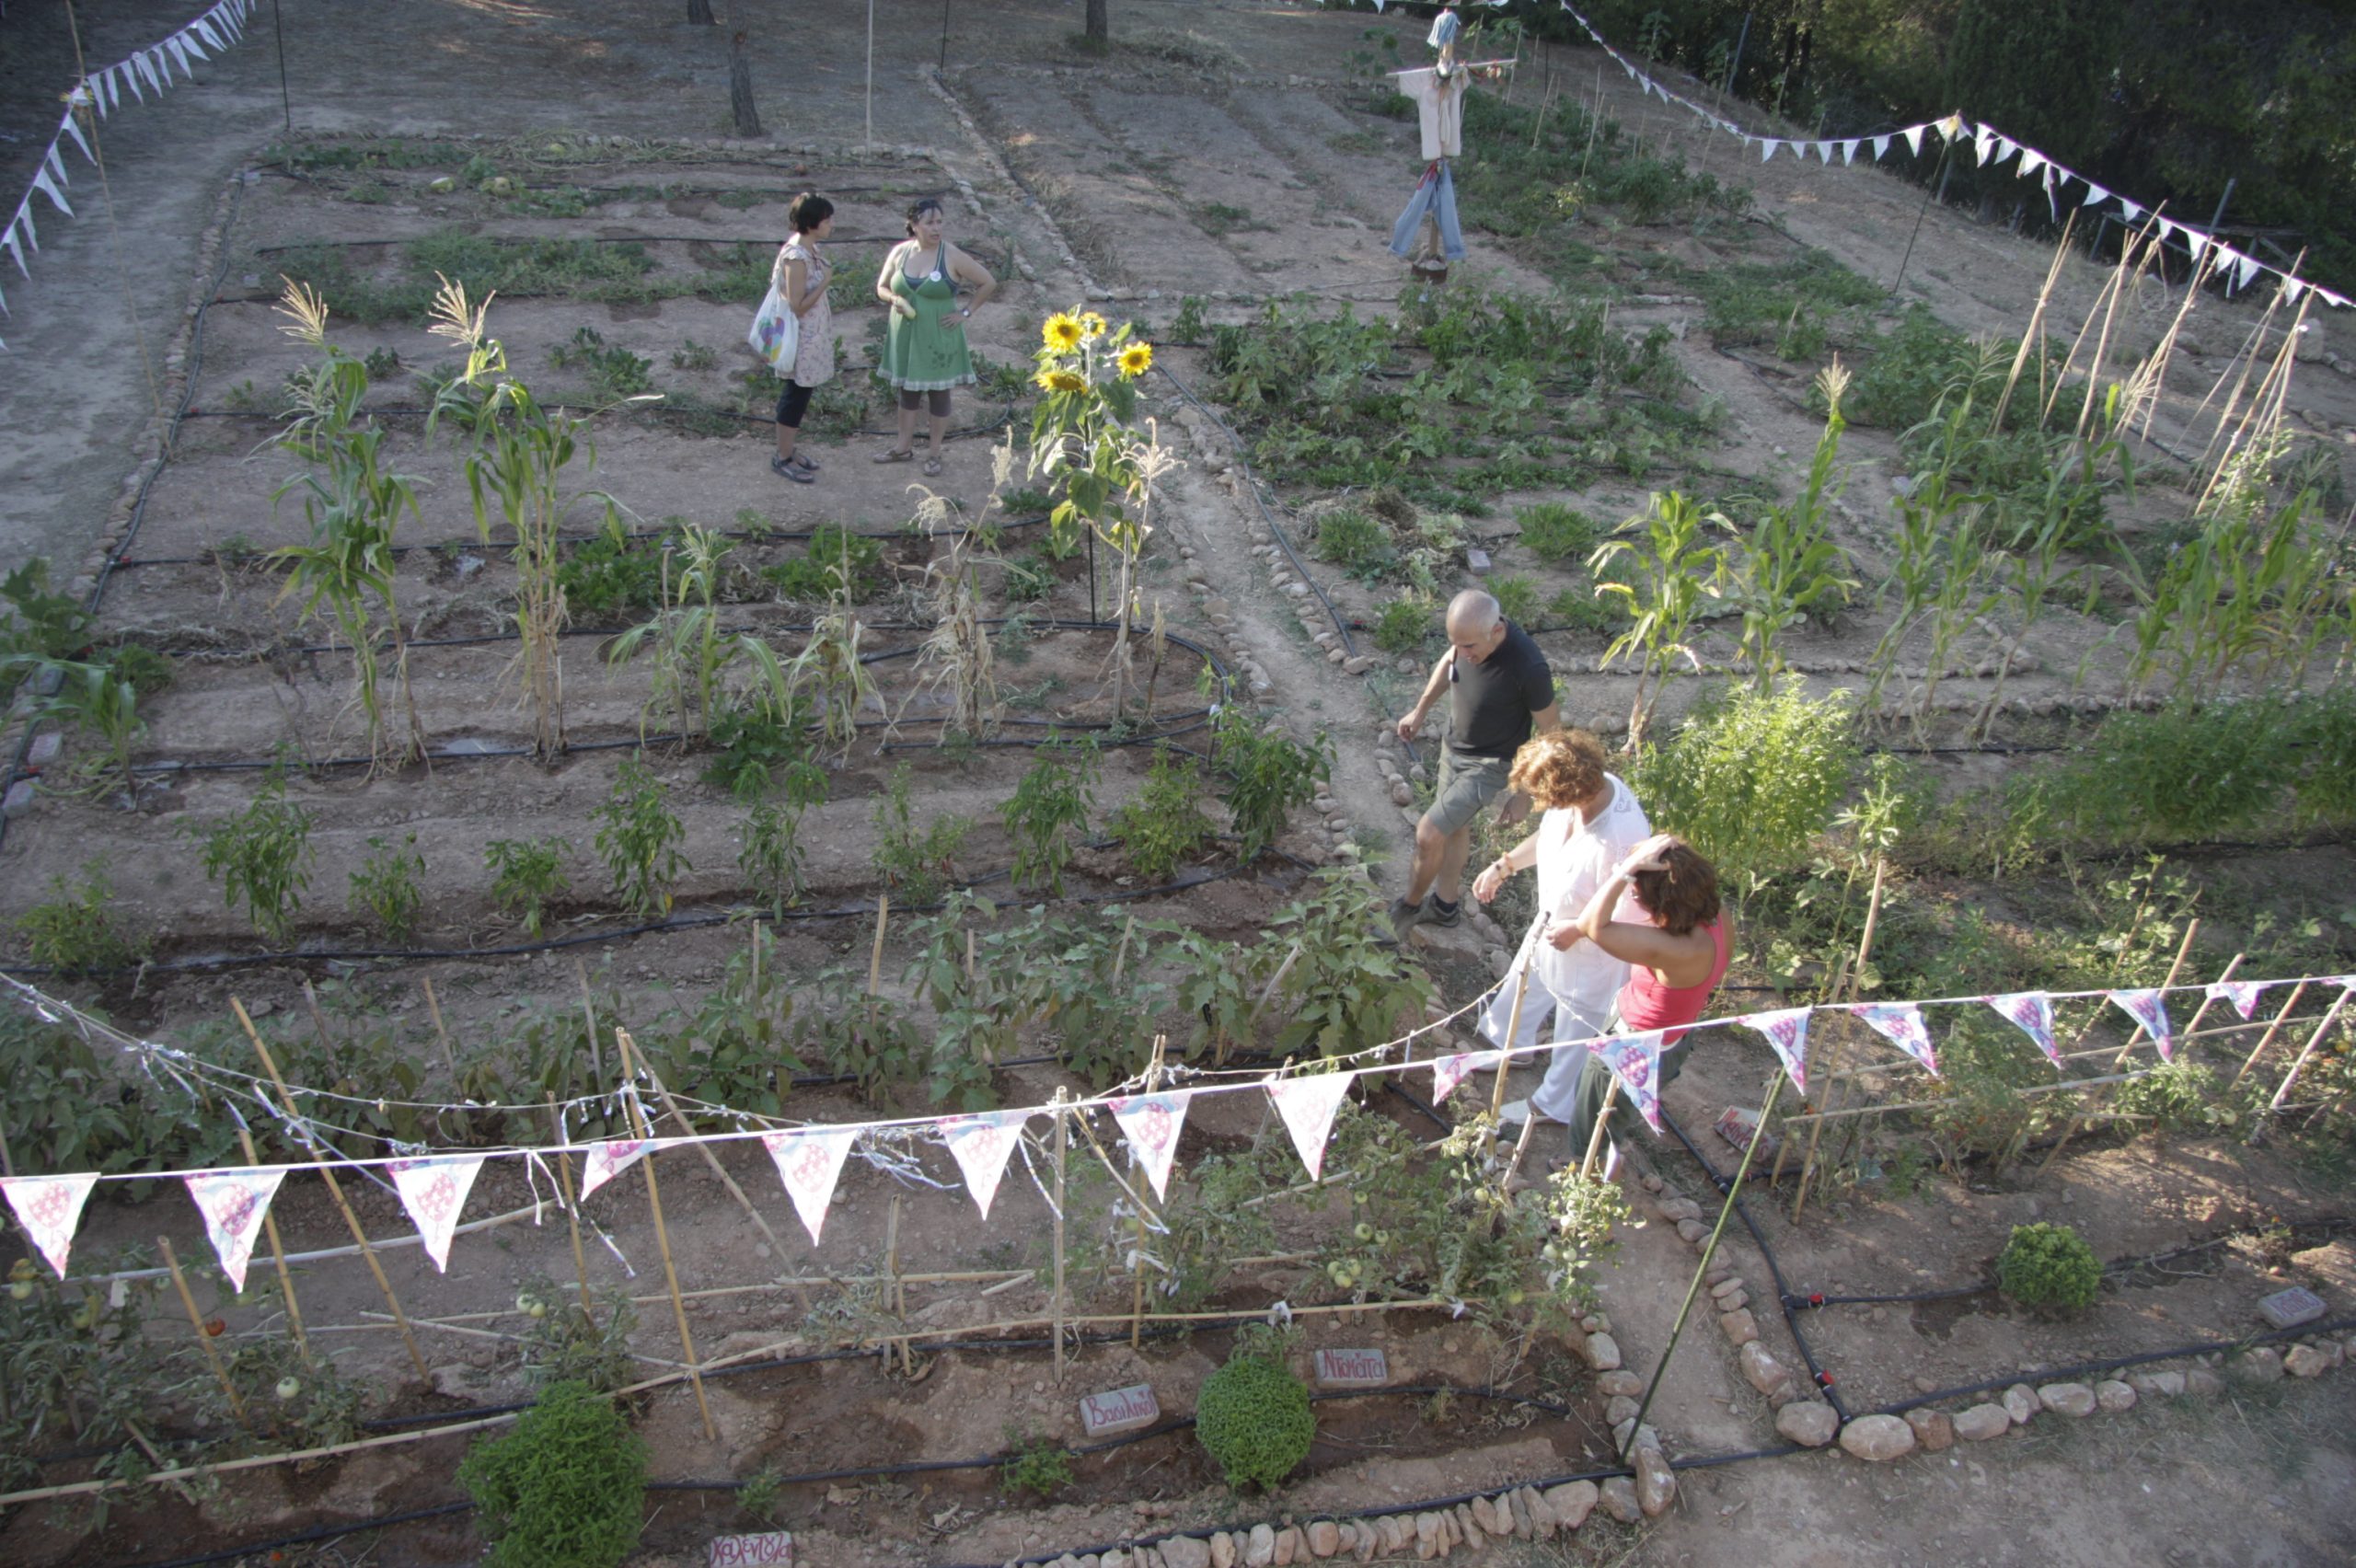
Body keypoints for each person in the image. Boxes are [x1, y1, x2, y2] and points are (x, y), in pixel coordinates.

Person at [1469, 731, 1651, 1105]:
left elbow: (1627, 916)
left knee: (1576, 1021)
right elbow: (1549, 835)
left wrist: (1578, 930)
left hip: (1592, 947)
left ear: (1569, 790)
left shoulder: (1620, 837)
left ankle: (1556, 1103)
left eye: (1541, 796)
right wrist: (1504, 866)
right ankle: (1511, 1046)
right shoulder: (1577, 799)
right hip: (1552, 921)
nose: (1537, 802)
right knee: (1526, 980)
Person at [1552, 834, 1733, 1177]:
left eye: (1638, 890)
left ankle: (1582, 1187)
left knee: (1593, 1128)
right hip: (1670, 1038)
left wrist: (1624, 871)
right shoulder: (1716, 916)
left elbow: (1594, 925)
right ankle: (1596, 1161)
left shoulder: (1678, 951)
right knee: (1608, 1116)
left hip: (1633, 1048)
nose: (1633, 893)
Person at [1391, 590, 1560, 941]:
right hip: (1454, 747)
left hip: (1490, 764)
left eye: (1470, 647)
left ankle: (1408, 908)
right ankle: (1446, 906)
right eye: (1458, 644)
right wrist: (1420, 710)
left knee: (1428, 834)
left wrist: (1525, 794)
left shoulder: (1529, 667)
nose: (1464, 655)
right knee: (1455, 828)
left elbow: (1551, 735)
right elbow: (1449, 660)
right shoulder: (1467, 643)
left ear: (1496, 631)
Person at [873, 198, 998, 478]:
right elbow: (881, 287)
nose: (936, 228)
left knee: (939, 393)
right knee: (908, 390)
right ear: (914, 225)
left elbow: (988, 282)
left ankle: (934, 453)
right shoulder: (900, 253)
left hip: (939, 334)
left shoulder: (951, 255)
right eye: (929, 222)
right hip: (905, 333)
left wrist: (965, 312)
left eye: (940, 222)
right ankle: (902, 447)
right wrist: (894, 298)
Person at [769, 192, 836, 484]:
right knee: (794, 395)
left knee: (800, 394)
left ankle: (789, 450)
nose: (831, 224)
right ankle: (782, 457)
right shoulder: (796, 257)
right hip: (800, 339)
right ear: (813, 223)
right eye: (827, 219)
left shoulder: (809, 249)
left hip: (810, 338)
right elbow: (797, 306)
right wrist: (825, 282)